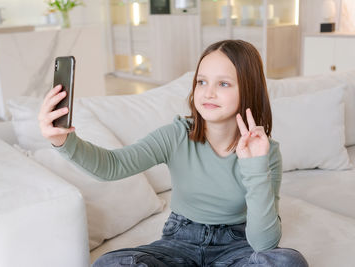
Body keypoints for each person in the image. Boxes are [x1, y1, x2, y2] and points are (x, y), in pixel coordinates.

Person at [38, 40, 309, 267]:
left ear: (249, 89)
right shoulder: (177, 135)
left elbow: (264, 244)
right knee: (109, 264)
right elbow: (112, 166)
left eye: (224, 84)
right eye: (201, 81)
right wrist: (64, 141)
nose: (208, 92)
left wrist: (256, 166)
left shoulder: (267, 152)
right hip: (180, 242)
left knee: (287, 262)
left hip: (237, 246)